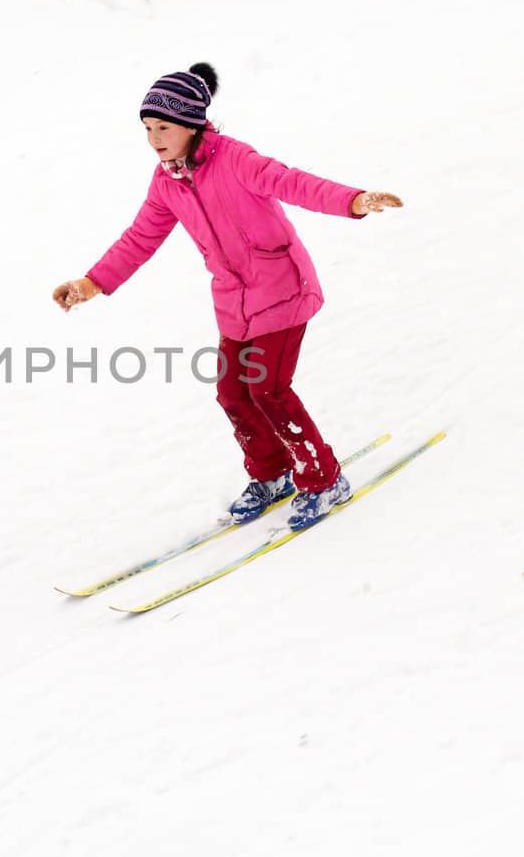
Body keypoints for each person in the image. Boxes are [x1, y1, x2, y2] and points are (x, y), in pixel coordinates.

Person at [52, 63, 403, 531]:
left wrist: (353, 200)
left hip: (282, 289)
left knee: (269, 390)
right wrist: (90, 283)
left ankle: (324, 479)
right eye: (147, 129)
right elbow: (140, 238)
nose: (154, 138)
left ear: (192, 124)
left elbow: (293, 182)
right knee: (233, 391)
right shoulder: (166, 183)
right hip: (235, 305)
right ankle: (273, 474)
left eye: (164, 127)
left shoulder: (236, 159)